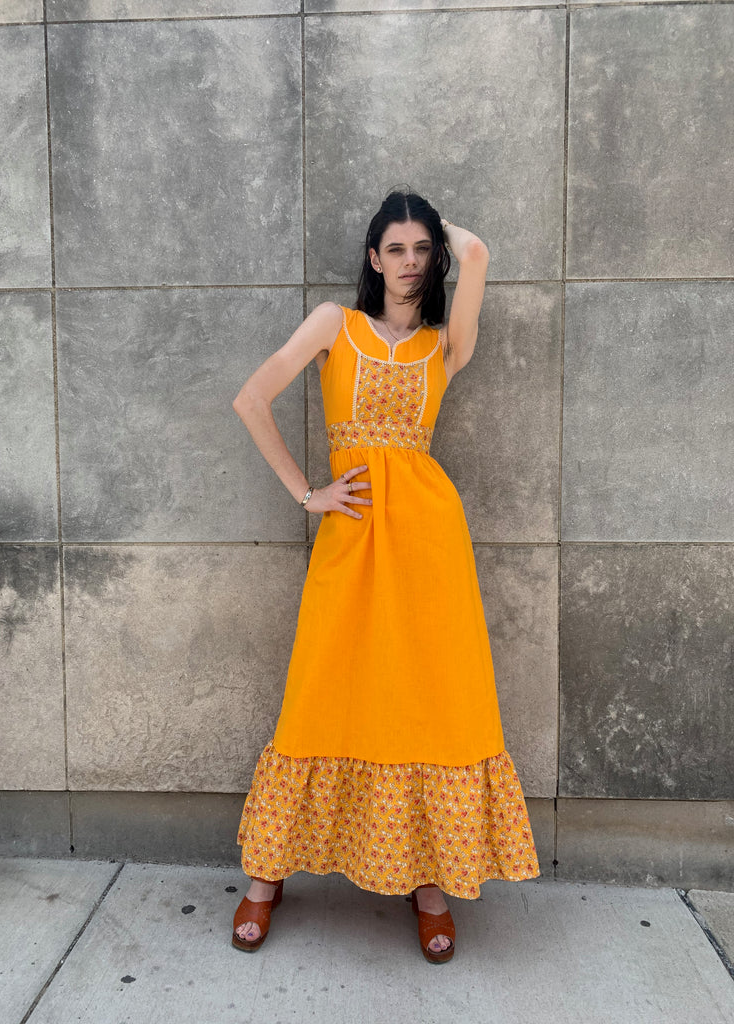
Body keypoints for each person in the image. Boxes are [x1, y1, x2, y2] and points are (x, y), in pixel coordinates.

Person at [231, 189, 539, 963]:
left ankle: (427, 883)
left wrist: (449, 237)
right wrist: (309, 493)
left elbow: (477, 256)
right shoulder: (336, 325)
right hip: (352, 536)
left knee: (428, 701)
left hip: (431, 545)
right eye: (395, 248)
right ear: (373, 257)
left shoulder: (443, 344)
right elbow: (251, 398)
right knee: (320, 692)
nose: (409, 263)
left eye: (419, 250)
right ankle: (264, 879)